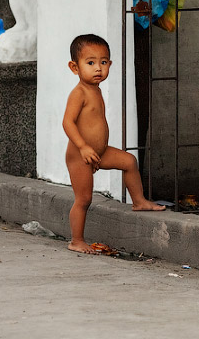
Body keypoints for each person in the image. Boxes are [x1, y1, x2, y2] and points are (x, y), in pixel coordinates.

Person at [62, 33, 165, 254]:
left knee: (129, 161)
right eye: (90, 63)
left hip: (99, 152)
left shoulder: (96, 89)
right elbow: (67, 123)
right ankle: (76, 240)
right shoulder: (79, 93)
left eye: (103, 62)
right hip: (80, 155)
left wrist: (95, 149)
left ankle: (139, 201)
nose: (98, 68)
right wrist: (83, 147)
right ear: (74, 67)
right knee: (84, 199)